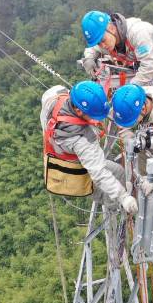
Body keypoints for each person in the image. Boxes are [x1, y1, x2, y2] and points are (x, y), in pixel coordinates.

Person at [41, 81, 137, 214]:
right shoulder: (82, 140)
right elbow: (99, 173)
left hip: (56, 150)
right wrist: (124, 197)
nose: (96, 118)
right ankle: (115, 207)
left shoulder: (54, 97)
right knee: (118, 171)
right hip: (72, 169)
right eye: (93, 115)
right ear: (79, 111)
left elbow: (55, 91)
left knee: (110, 170)